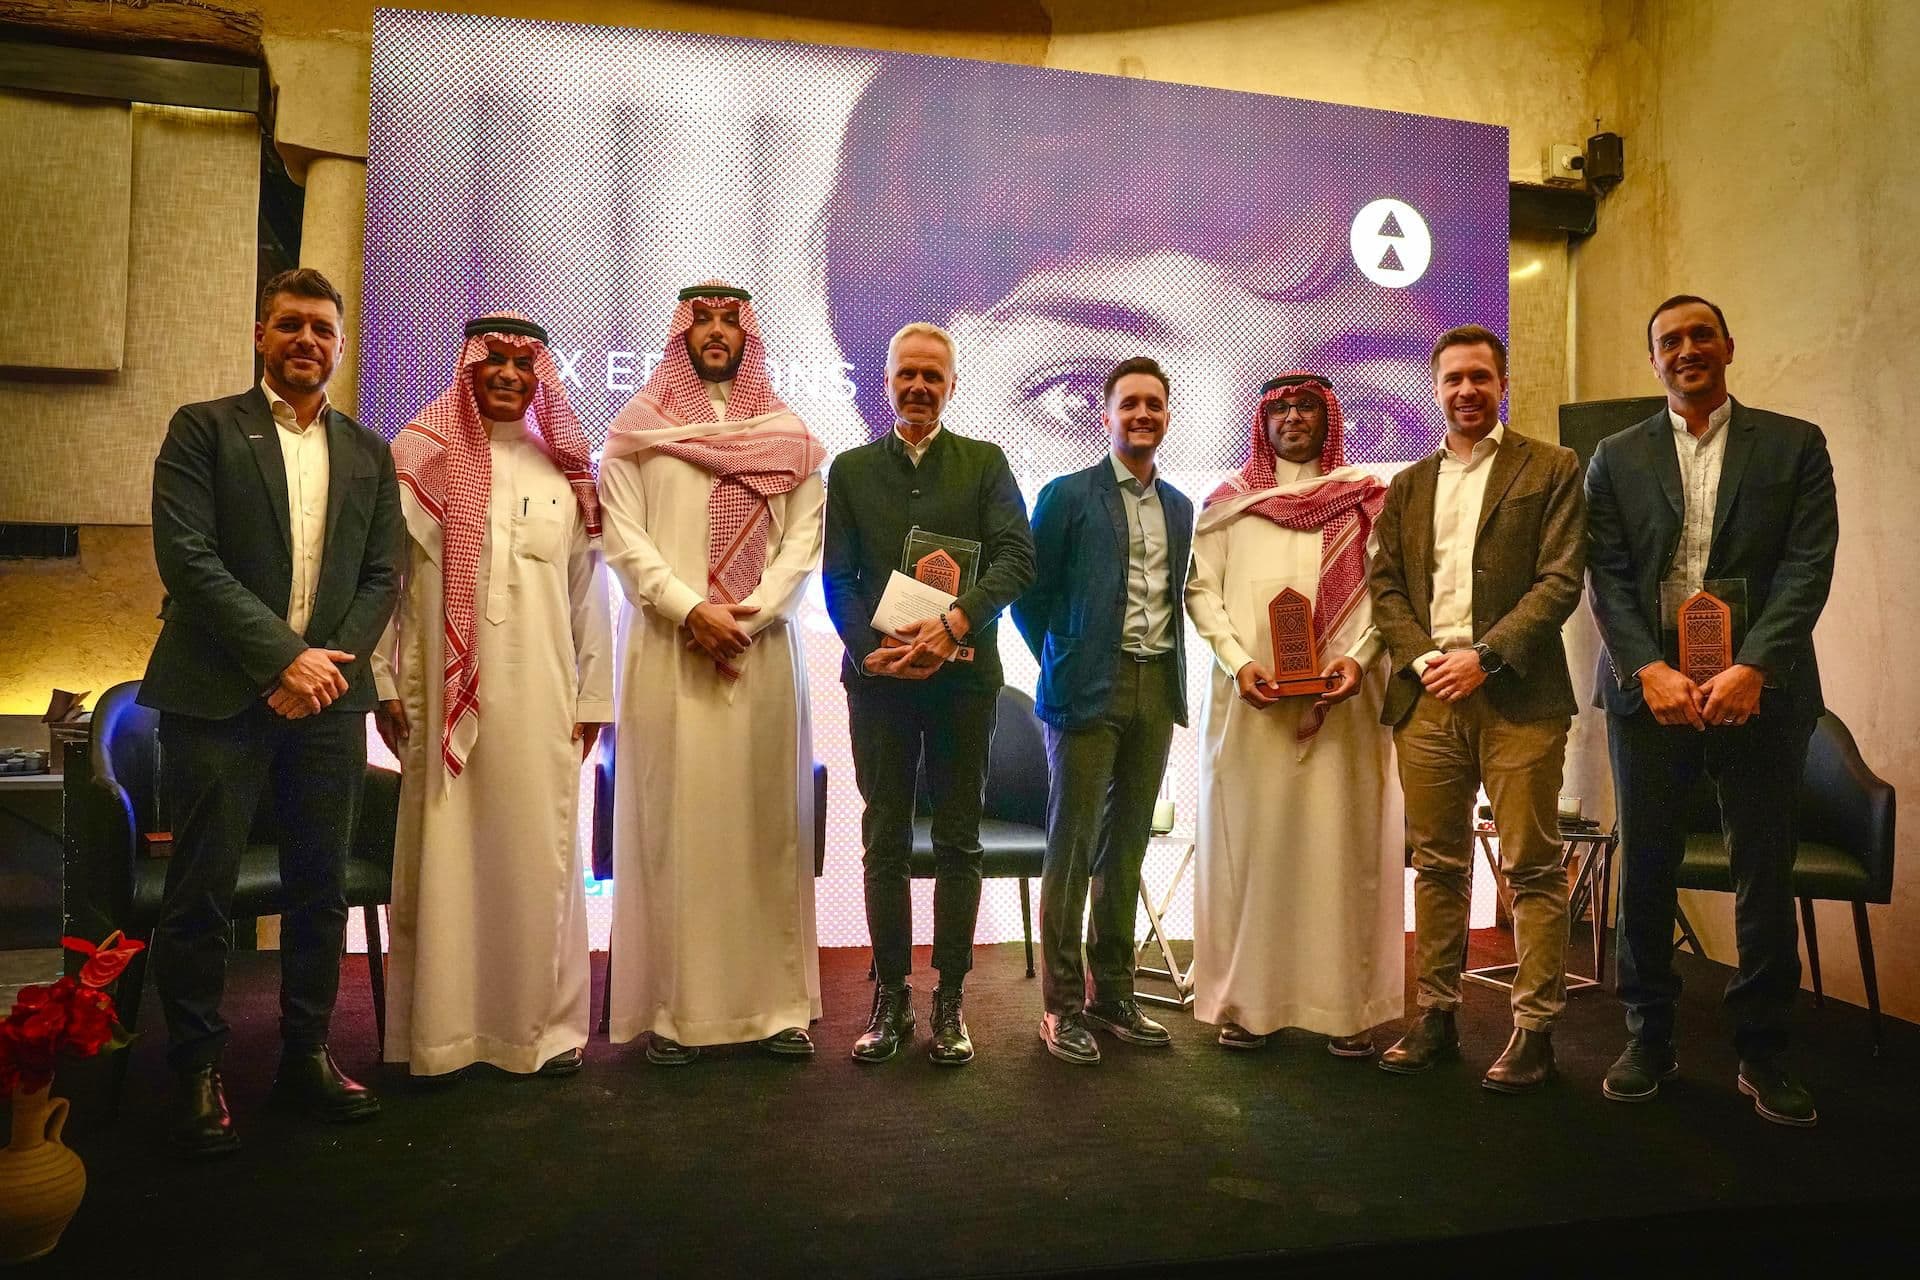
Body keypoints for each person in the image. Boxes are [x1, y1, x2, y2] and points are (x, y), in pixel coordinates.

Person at [140, 267, 401, 1156]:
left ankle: (307, 1056)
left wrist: (319, 671)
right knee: (201, 891)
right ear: (261, 335)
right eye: (290, 324)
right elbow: (188, 559)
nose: (307, 341)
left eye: (323, 329)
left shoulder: (369, 451)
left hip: (325, 704)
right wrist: (283, 660)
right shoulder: (204, 428)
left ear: (340, 346)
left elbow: (381, 577)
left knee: (319, 888)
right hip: (217, 698)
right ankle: (195, 1070)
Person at [1586, 296, 1838, 1126]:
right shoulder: (1615, 456)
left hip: (1760, 692)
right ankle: (1648, 1039)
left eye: (1701, 335)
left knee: (1764, 871)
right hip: (1649, 692)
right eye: (1670, 340)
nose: (1687, 348)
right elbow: (1606, 573)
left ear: (1729, 345)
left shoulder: (1796, 445)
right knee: (1647, 866)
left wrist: (1754, 666)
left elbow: (1808, 565)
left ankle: (1763, 1053)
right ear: (1653, 359)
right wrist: (1648, 668)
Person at [372, 313, 612, 1081]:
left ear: (540, 376)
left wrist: (594, 700)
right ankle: (441, 1037)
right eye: (493, 360)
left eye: (522, 363)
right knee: (443, 859)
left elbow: (588, 596)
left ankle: (540, 1034)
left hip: (544, 698)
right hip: (437, 695)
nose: (508, 373)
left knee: (539, 857)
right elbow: (387, 582)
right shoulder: (418, 459)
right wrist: (382, 679)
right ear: (468, 367)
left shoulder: (566, 475)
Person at [598, 283, 827, 1065]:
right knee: (675, 830)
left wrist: (747, 616)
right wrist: (690, 608)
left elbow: (802, 544)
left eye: (731, 320)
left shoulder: (790, 437)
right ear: (682, 335)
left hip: (761, 658)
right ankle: (674, 1013)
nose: (718, 332)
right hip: (670, 654)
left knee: (767, 830)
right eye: (704, 321)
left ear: (749, 335)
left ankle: (776, 1009)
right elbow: (624, 540)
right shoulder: (637, 431)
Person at [1367, 325, 1587, 1093]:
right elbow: (1385, 585)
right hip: (1427, 695)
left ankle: (1535, 1030)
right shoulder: (1406, 485)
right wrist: (1424, 657)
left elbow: (1560, 580)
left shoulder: (1551, 467)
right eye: (1453, 378)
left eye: (1480, 377)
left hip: (1519, 695)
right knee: (1437, 864)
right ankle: (1436, 1016)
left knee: (1531, 866)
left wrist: (1484, 657)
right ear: (1436, 389)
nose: (1466, 390)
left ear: (1502, 384)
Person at [822, 322, 1036, 1066]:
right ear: (886, 382)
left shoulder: (984, 463)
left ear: (951, 386)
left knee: (957, 840)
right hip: (878, 685)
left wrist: (955, 622)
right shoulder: (851, 470)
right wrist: (872, 652)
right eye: (906, 374)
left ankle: (949, 999)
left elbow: (1018, 558)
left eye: (932, 377)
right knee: (884, 838)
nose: (918, 387)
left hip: (963, 682)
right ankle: (890, 999)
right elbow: (838, 578)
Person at [1185, 372, 1401, 1057]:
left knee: (1342, 852)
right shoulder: (1228, 505)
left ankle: (1349, 1011)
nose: (1295, 418)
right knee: (1254, 853)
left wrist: (1359, 659)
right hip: (1252, 707)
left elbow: (1387, 595)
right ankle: (1248, 1006)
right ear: (1262, 423)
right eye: (1281, 409)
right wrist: (1237, 662)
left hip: (1346, 708)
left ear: (1329, 418)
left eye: (1308, 406)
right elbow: (1200, 593)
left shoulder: (1364, 499)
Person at [1012, 356, 1192, 1065]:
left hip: (1156, 687)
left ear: (1167, 416)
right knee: (1073, 847)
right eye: (1130, 403)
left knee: (1126, 850)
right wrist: (1066, 655)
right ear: (1107, 414)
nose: (1142, 414)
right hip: (1085, 688)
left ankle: (1111, 994)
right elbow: (1030, 595)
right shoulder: (1067, 494)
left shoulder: (1179, 506)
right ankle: (1060, 1008)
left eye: (1154, 404)